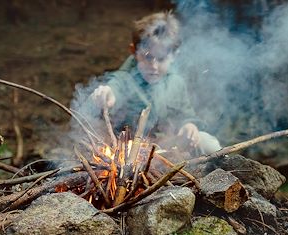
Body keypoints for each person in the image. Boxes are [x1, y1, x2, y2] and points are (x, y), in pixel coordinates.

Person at [86, 11, 221, 154]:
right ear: (134, 51)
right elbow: (115, 86)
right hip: (129, 153)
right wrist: (106, 94)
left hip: (164, 149)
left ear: (174, 55)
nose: (154, 66)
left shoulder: (175, 82)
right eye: (148, 58)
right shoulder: (125, 78)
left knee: (208, 143)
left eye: (161, 59)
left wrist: (189, 124)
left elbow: (184, 114)